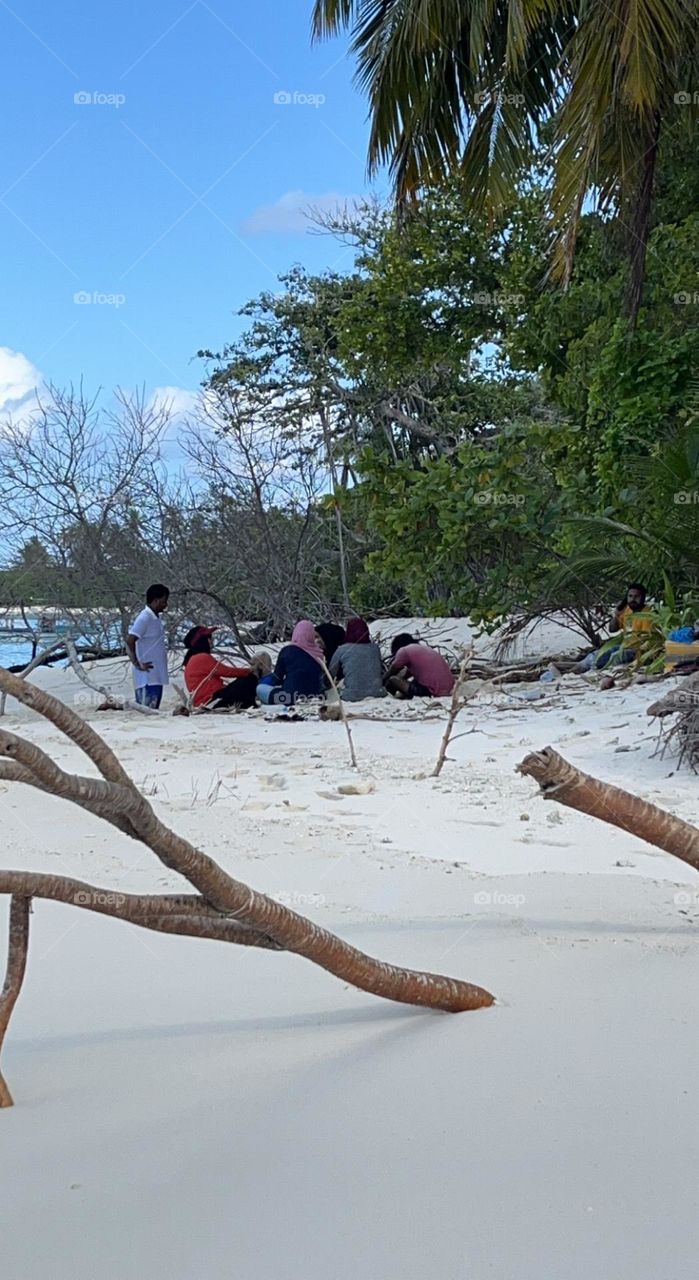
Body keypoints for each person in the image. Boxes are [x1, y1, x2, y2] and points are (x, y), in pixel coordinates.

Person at [575, 583, 652, 672]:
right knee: (595, 655)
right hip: (624, 647)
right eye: (630, 596)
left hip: (637, 651)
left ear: (643, 598)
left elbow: (647, 641)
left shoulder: (648, 614)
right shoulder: (627, 610)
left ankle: (588, 668)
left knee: (613, 657)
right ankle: (569, 672)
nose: (633, 599)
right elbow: (612, 629)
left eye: (636, 596)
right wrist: (616, 615)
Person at [183, 626, 262, 710]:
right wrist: (250, 670)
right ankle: (249, 705)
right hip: (212, 701)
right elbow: (227, 672)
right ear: (202, 641)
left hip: (206, 700)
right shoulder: (202, 657)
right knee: (249, 679)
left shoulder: (191, 660)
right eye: (209, 638)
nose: (211, 641)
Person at [257, 620, 326, 705]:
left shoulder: (287, 651)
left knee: (260, 688)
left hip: (289, 699)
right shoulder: (318, 654)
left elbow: (277, 678)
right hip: (315, 697)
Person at [126, 584, 170, 709]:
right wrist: (136, 663)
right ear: (156, 600)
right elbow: (130, 640)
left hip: (156, 674)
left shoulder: (155, 618)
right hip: (147, 677)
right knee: (147, 708)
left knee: (154, 707)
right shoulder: (144, 618)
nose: (165, 605)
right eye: (163, 601)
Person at [384, 632, 456, 699]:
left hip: (431, 692)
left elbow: (393, 670)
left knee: (392, 679)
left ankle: (387, 695)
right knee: (414, 681)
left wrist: (383, 680)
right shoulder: (424, 649)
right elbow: (407, 674)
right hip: (449, 690)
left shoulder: (403, 650)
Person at [329, 617, 386, 701]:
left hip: (351, 696)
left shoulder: (342, 649)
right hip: (378, 694)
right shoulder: (375, 648)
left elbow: (331, 673)